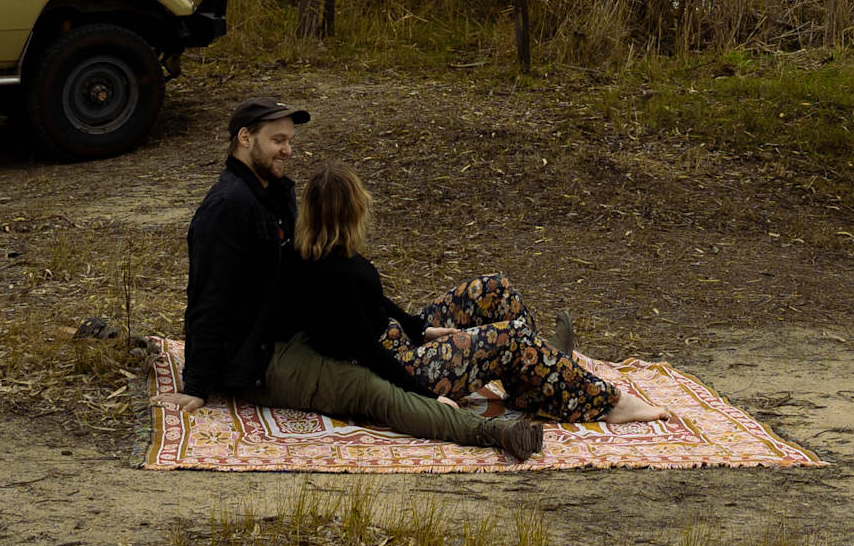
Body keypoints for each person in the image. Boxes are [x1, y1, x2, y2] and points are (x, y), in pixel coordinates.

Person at [181, 99, 540, 461]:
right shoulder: (227, 207)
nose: (288, 150)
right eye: (278, 140)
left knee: (478, 298)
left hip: (297, 331)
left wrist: (414, 326)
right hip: (259, 359)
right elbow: (207, 297)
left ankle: (541, 364)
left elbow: (331, 279)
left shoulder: (275, 194)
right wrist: (197, 384)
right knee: (369, 387)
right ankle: (492, 431)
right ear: (245, 137)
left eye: (290, 140)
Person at [274, 165, 658, 427]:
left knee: (493, 290)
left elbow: (373, 304)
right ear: (355, 209)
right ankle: (606, 402)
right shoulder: (327, 273)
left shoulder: (329, 250)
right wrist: (423, 396)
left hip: (402, 341)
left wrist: (420, 327)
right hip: (405, 368)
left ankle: (542, 376)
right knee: (508, 337)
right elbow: (366, 349)